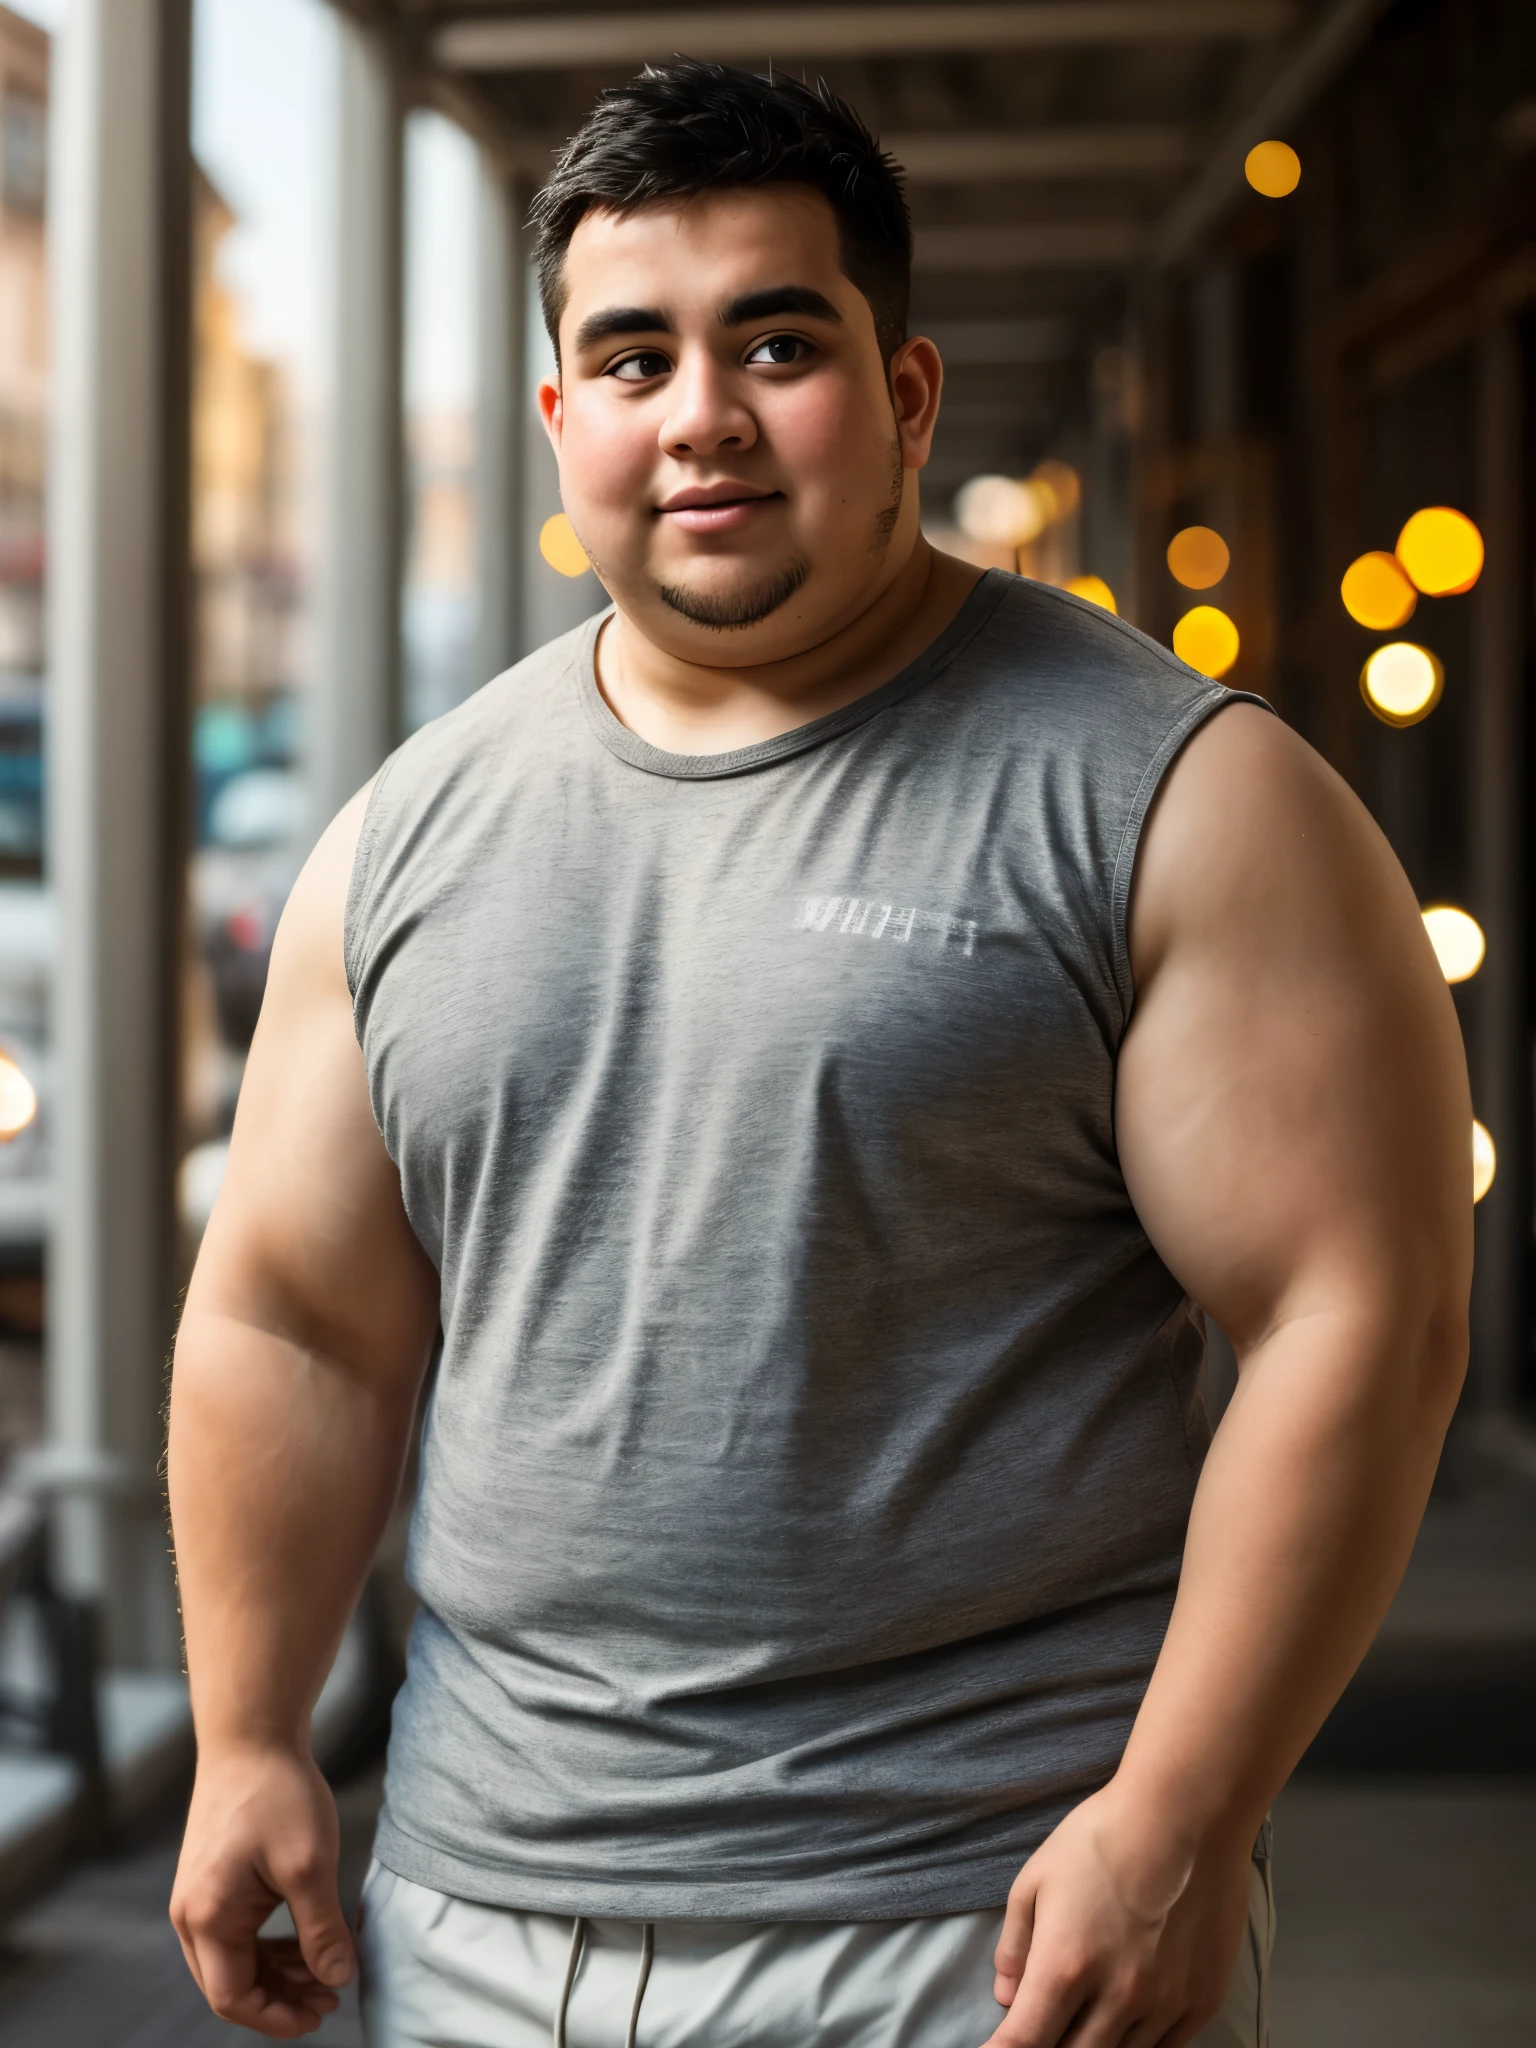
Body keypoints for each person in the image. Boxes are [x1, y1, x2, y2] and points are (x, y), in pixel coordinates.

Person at [167, 60, 1471, 2048]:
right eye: (633, 357)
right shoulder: (408, 831)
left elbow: (1357, 1320)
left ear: (909, 396)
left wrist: (1182, 1817)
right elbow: (293, 1320)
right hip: (482, 1910)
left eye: (777, 341)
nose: (701, 413)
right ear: (561, 422)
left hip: (989, 1915)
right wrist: (249, 1731)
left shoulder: (1179, 798)